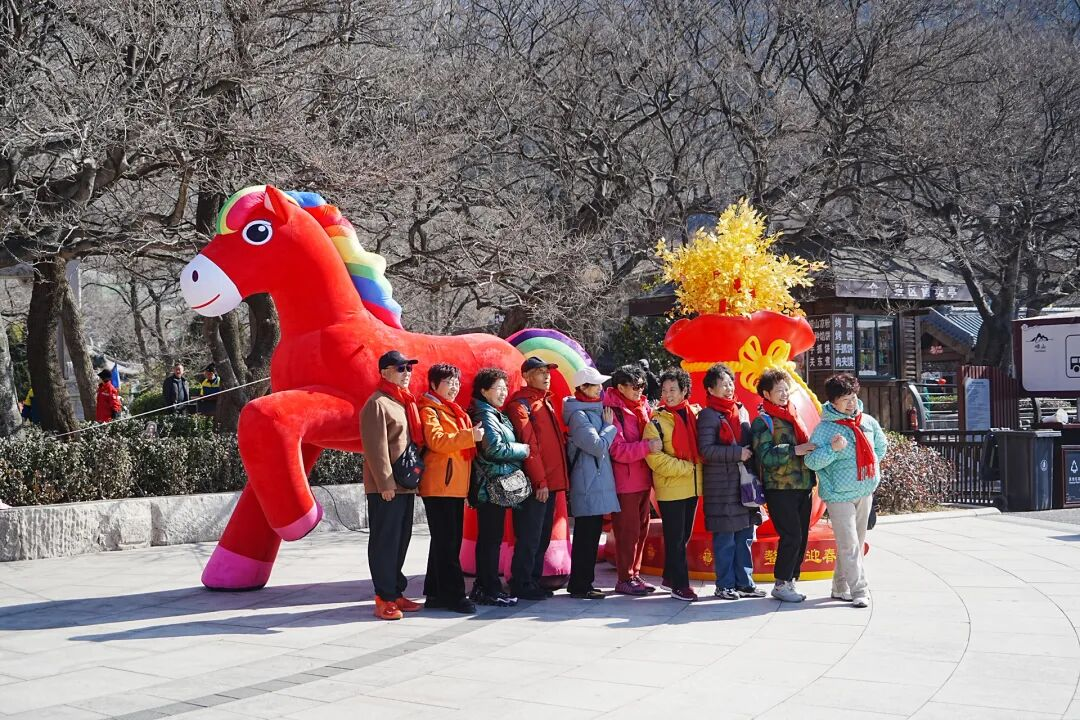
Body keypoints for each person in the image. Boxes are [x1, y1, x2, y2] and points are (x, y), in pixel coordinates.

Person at [805, 373, 888, 609]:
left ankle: (839, 586)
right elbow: (811, 462)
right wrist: (832, 449)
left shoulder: (867, 421)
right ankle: (859, 590)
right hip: (838, 494)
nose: (851, 403)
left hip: (865, 490)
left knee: (855, 542)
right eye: (845, 399)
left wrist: (870, 468)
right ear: (833, 402)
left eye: (853, 397)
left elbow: (881, 446)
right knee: (849, 544)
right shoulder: (824, 429)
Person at [360, 349, 424, 621]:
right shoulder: (377, 403)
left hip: (405, 484)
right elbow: (375, 449)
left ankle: (395, 591)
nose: (406, 373)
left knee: (401, 539)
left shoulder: (402, 401)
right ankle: (383, 597)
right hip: (386, 487)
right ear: (384, 372)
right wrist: (385, 483)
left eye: (409, 368)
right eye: (401, 368)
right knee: (385, 541)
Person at [418, 363, 484, 614]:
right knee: (447, 542)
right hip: (439, 485)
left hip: (454, 485)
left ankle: (435, 593)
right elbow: (437, 441)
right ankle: (454, 595)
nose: (454, 387)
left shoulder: (452, 410)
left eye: (456, 382)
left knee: (444, 542)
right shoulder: (429, 410)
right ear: (434, 384)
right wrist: (469, 436)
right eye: (448, 382)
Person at [697, 363, 765, 601]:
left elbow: (748, 442)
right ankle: (724, 585)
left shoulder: (740, 410)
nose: (729, 388)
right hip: (721, 487)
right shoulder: (708, 415)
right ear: (710, 389)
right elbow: (706, 450)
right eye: (723, 384)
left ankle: (744, 583)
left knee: (745, 536)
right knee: (725, 539)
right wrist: (737, 453)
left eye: (730, 383)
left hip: (743, 484)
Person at [506, 356, 570, 601]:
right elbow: (529, 445)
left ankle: (532, 580)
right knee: (529, 535)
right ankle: (521, 582)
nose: (546, 376)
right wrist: (539, 482)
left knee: (541, 535)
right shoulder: (520, 404)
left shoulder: (545, 401)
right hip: (536, 484)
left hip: (551, 481)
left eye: (547, 372)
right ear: (526, 376)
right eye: (540, 372)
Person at [751, 368, 817, 603]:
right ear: (766, 394)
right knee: (791, 535)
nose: (784, 394)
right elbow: (765, 456)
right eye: (779, 390)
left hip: (803, 485)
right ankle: (781, 583)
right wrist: (795, 450)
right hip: (779, 488)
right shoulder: (762, 422)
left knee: (801, 536)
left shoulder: (794, 415)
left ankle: (790, 581)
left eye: (786, 389)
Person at [468, 367, 528, 607]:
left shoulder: (494, 413)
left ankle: (485, 586)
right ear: (484, 391)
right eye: (498, 388)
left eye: (505, 388)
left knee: (491, 539)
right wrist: (523, 450)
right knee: (490, 540)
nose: (504, 393)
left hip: (495, 486)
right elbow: (494, 448)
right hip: (490, 487)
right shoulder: (484, 414)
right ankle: (489, 588)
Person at [644, 367, 703, 601]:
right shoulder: (656, 421)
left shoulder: (695, 415)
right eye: (665, 390)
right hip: (670, 489)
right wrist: (686, 468)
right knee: (676, 540)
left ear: (684, 390)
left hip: (693, 487)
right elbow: (655, 459)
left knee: (683, 536)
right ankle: (680, 585)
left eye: (673, 389)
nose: (668, 395)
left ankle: (669, 577)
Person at [604, 364, 662, 595]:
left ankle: (634, 575)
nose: (640, 390)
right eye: (635, 386)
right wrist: (647, 447)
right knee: (627, 532)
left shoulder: (642, 406)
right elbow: (617, 450)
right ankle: (625, 578)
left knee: (641, 531)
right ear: (620, 387)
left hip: (643, 479)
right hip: (625, 482)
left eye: (642, 385)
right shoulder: (612, 411)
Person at [563, 366, 621, 600]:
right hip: (587, 484)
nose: (600, 388)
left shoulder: (592, 410)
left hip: (593, 482)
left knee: (590, 535)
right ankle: (580, 585)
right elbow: (596, 446)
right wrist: (610, 427)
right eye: (595, 385)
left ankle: (584, 583)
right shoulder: (579, 415)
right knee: (585, 537)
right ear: (583, 388)